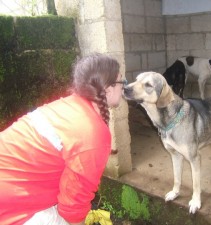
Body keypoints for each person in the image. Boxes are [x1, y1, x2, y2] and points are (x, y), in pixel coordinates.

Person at [0, 53, 127, 225]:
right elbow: (73, 207)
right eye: (122, 82)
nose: (124, 86)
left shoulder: (69, 105)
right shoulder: (93, 134)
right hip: (12, 202)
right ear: (109, 90)